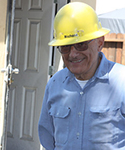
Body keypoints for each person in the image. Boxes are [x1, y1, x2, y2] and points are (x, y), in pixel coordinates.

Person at [38, 2, 125, 150]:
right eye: (65, 47)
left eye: (81, 45)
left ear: (99, 43)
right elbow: (48, 141)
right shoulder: (54, 85)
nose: (73, 54)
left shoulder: (122, 83)